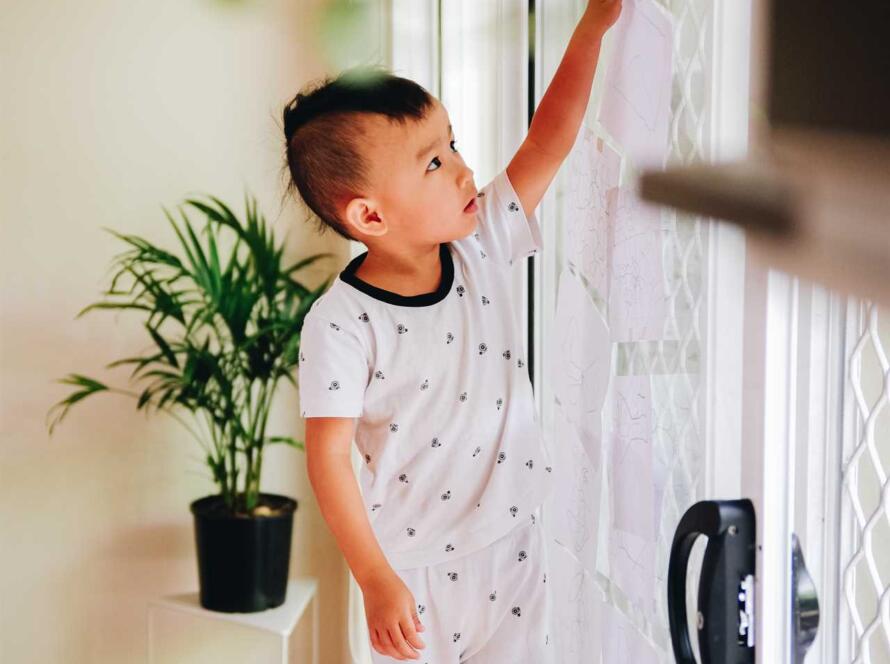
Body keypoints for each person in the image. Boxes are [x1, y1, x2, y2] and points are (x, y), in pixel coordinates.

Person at [282, 2, 621, 660]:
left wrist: (591, 29)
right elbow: (328, 460)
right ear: (370, 215)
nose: (464, 169)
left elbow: (548, 139)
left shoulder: (480, 243)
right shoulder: (343, 322)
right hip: (411, 577)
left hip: (516, 544)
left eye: (453, 145)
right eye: (433, 163)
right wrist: (374, 579)